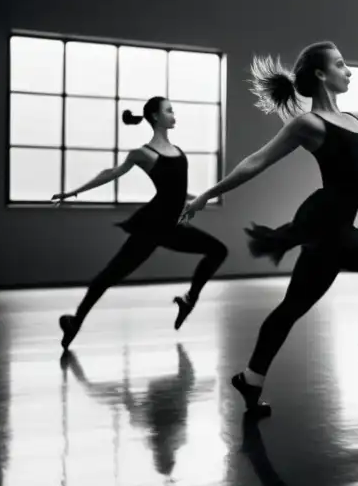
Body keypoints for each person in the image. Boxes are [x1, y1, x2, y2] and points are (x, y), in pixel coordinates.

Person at [181, 41, 358, 413]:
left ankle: (251, 378)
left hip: (330, 231)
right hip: (328, 227)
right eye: (341, 65)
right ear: (321, 74)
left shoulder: (357, 119)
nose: (349, 71)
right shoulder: (308, 124)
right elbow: (256, 162)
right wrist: (206, 195)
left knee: (292, 306)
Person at [54, 97, 228, 350]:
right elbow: (111, 173)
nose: (173, 114)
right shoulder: (143, 154)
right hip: (152, 226)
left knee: (218, 250)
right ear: (155, 117)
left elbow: (176, 191)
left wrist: (200, 198)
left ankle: (188, 300)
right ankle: (75, 321)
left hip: (172, 227)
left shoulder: (178, 151)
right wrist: (73, 193)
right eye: (169, 111)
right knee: (109, 276)